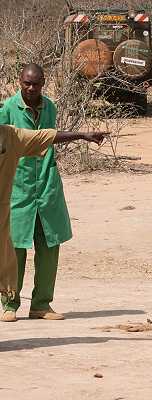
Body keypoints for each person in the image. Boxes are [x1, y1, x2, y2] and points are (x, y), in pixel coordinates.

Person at [0, 125, 107, 317]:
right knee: (15, 252)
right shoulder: (11, 116)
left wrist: (82, 134)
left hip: (35, 199)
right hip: (19, 200)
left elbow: (45, 136)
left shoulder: (10, 136)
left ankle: (40, 304)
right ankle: (9, 306)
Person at [0, 64, 74, 322]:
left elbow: (49, 139)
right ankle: (9, 303)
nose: (31, 89)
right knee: (15, 246)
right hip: (18, 187)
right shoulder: (8, 109)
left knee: (49, 245)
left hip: (46, 185)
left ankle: (42, 304)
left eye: (36, 84)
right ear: (19, 82)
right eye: (26, 84)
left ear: (43, 83)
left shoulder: (50, 107)